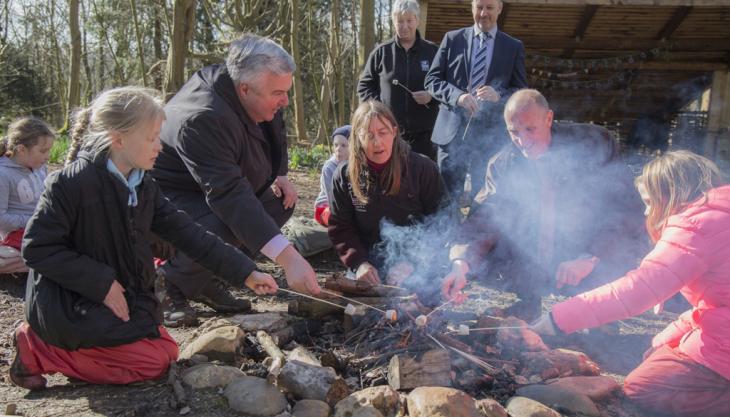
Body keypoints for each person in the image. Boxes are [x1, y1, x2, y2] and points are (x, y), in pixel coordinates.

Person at [9, 87, 279, 391]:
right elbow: (36, 249)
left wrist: (245, 272)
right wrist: (101, 284)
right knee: (152, 363)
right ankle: (39, 348)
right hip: (69, 303)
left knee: (166, 352)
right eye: (152, 138)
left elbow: (188, 233)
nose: (159, 147)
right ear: (118, 138)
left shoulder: (143, 185)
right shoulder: (70, 184)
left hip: (120, 296)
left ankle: (85, 354)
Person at [531, 150, 730, 417]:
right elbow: (718, 300)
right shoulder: (719, 212)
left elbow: (638, 290)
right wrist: (669, 336)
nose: (647, 211)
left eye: (649, 202)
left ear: (669, 195)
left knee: (642, 388)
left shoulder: (697, 224)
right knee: (657, 354)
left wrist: (558, 318)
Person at [151, 34, 321, 326]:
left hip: (210, 188)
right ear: (245, 89)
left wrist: (280, 173)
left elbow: (275, 128)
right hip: (168, 199)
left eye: (286, 91)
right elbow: (228, 196)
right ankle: (169, 281)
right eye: (278, 93)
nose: (286, 101)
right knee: (227, 222)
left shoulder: (255, 89)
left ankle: (202, 277)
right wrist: (290, 259)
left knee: (279, 204)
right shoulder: (204, 117)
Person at [441, 89, 647, 319]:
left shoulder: (594, 145)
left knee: (592, 329)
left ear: (548, 118)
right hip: (530, 270)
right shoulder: (503, 165)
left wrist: (590, 257)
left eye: (530, 129)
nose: (523, 141)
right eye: (514, 132)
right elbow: (486, 218)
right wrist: (461, 262)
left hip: (591, 262)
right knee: (522, 332)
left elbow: (624, 209)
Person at [328, 100, 447, 290]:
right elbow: (341, 228)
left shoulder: (422, 168)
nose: (377, 142)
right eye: (368, 134)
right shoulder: (344, 175)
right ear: (357, 137)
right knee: (362, 314)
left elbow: (443, 220)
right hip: (369, 264)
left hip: (419, 262)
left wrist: (412, 262)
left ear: (394, 131)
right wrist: (359, 263)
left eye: (383, 133)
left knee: (423, 305)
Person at [425, 0, 527, 201]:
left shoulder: (513, 46)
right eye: (479, 7)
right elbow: (431, 80)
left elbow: (521, 91)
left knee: (484, 202)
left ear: (499, 9)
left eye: (489, 8)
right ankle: (450, 233)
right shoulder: (452, 39)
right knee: (446, 202)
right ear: (472, 8)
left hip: (490, 139)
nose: (483, 13)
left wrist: (499, 96)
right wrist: (458, 97)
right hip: (451, 135)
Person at [357, 0, 438, 161]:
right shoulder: (381, 53)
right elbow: (364, 87)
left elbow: (445, 86)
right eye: (400, 21)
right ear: (393, 21)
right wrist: (379, 109)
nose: (404, 26)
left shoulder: (433, 52)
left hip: (426, 137)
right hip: (389, 136)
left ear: (417, 20)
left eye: (409, 20)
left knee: (422, 182)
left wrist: (431, 95)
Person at [0, 117, 55, 251]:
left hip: (41, 227)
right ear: (21, 149)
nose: (47, 156)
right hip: (17, 235)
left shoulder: (40, 167)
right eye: (43, 151)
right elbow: (1, 219)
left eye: (49, 150)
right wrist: (36, 219)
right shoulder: (3, 175)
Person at [314, 125, 351, 227]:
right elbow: (332, 196)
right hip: (326, 207)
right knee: (338, 218)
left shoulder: (356, 165)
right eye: (336, 145)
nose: (338, 149)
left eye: (344, 145)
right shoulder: (329, 167)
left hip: (348, 207)